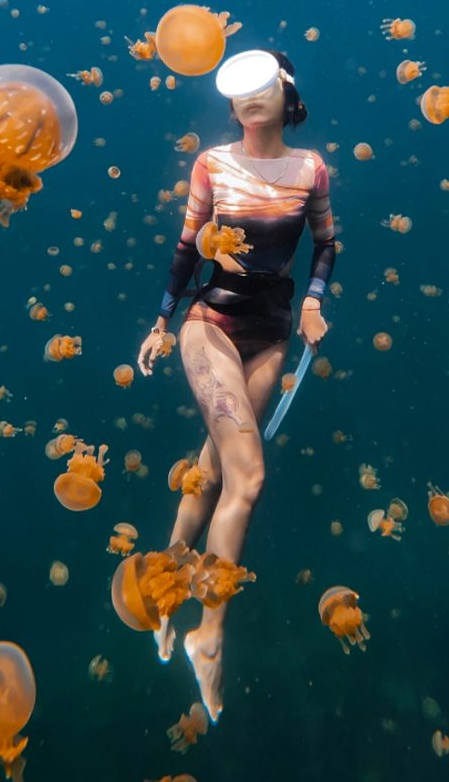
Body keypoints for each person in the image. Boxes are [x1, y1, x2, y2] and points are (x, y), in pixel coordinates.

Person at [137, 49, 336, 722]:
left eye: (262, 88)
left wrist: (312, 301)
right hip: (210, 322)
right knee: (246, 478)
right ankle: (208, 634)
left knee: (216, 464)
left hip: (273, 331)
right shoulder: (212, 164)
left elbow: (327, 244)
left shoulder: (310, 169)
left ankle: (165, 586)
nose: (249, 100)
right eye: (238, 92)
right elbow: (187, 245)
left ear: (286, 94)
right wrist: (162, 322)